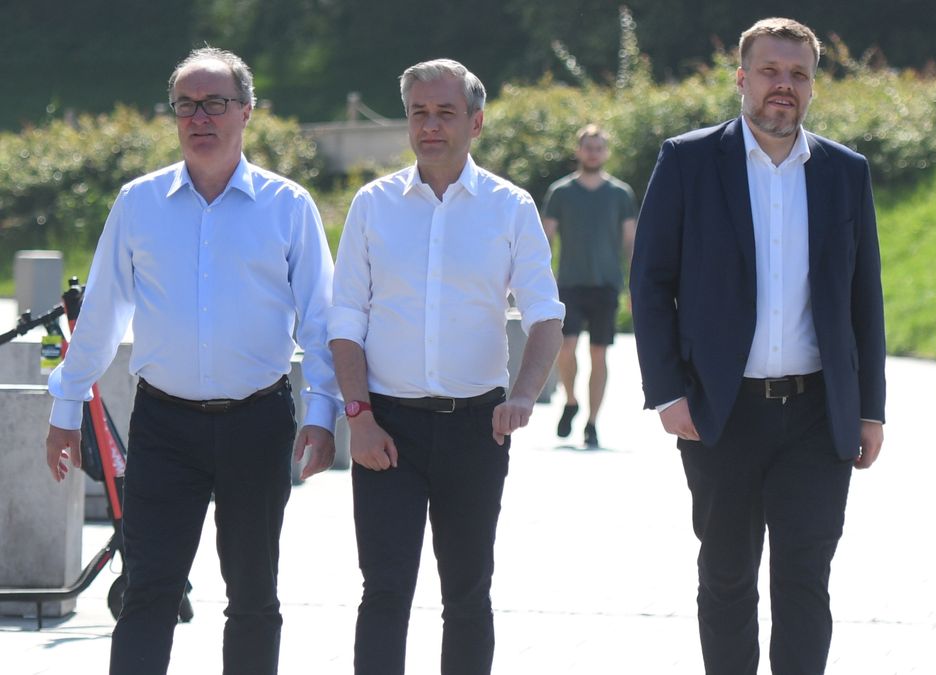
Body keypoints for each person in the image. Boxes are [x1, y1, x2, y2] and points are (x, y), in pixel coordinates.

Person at [43, 47, 339, 675]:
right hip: (165, 427)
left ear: (247, 111)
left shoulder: (288, 206)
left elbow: (321, 322)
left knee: (253, 595)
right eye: (186, 105)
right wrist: (66, 407)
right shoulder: (139, 203)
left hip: (258, 423)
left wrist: (324, 413)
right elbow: (101, 316)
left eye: (215, 104)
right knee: (149, 592)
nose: (199, 118)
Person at [630, 17, 886, 675]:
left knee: (805, 580)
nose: (784, 86)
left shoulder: (844, 171)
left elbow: (865, 297)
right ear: (742, 78)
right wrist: (667, 391)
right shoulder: (687, 161)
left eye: (799, 74)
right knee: (726, 577)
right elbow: (651, 282)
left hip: (816, 414)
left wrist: (870, 409)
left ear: (813, 85)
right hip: (720, 411)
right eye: (771, 71)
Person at [327, 59, 564, 675]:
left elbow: (545, 313)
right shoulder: (373, 204)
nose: (430, 126)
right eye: (419, 113)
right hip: (386, 429)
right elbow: (345, 319)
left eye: (445, 113)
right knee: (384, 591)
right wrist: (358, 417)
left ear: (476, 123)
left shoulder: (510, 207)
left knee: (467, 593)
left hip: (475, 430)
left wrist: (524, 395)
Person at [542, 124, 637, 447]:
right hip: (569, 283)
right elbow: (545, 239)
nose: (593, 153)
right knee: (566, 348)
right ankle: (570, 400)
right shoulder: (561, 192)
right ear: (578, 150)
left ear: (605, 152)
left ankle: (592, 423)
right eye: (588, 147)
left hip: (606, 284)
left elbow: (630, 242)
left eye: (598, 148)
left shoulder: (620, 194)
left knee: (599, 353)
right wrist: (539, 282)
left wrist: (635, 286)